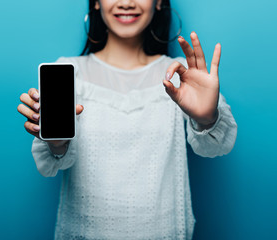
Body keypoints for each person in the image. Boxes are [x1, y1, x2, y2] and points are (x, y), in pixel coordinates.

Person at [17, 0, 237, 239]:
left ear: (160, 2)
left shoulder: (182, 73)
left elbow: (215, 146)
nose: (126, 3)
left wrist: (207, 119)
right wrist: (57, 143)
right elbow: (52, 165)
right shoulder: (68, 72)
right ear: (97, 3)